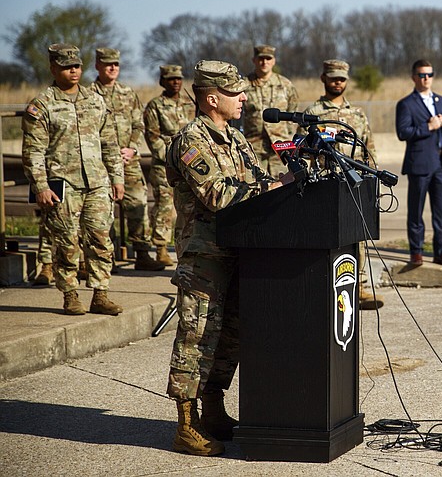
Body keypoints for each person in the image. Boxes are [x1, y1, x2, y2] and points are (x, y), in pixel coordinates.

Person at [165, 60, 293, 457]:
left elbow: (256, 180)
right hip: (205, 255)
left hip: (240, 251)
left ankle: (214, 409)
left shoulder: (235, 139)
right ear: (210, 98)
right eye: (236, 93)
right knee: (196, 336)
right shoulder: (191, 140)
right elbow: (218, 194)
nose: (244, 98)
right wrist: (274, 186)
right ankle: (186, 425)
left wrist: (285, 182)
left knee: (230, 336)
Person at [21, 44, 124, 315]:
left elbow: (110, 142)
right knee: (67, 243)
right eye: (67, 67)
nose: (74, 71)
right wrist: (40, 186)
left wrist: (117, 178)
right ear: (54, 69)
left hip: (97, 183)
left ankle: (101, 294)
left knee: (101, 239)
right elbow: (33, 150)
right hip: (62, 185)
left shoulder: (95, 99)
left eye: (77, 66)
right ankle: (70, 295)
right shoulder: (42, 105)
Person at [304, 59, 382, 309]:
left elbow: (368, 149)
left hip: (353, 184)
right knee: (322, 235)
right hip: (324, 184)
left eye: (341, 78)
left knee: (355, 234)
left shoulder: (357, 114)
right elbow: (302, 151)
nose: (337, 82)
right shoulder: (313, 113)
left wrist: (373, 179)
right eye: (332, 77)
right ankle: (323, 287)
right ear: (323, 78)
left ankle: (358, 287)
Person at [90, 48, 163, 271]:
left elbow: (138, 125)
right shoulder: (89, 94)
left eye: (116, 65)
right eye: (107, 64)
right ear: (97, 66)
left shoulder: (127, 93)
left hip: (128, 160)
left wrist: (131, 148)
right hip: (101, 161)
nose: (113, 68)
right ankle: (106, 257)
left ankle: (142, 253)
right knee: (103, 209)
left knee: (138, 204)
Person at [396, 59, 442, 267]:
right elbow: (403, 132)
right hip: (420, 164)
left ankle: (441, 251)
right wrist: (427, 127)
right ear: (414, 77)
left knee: (441, 211)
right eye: (422, 75)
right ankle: (416, 251)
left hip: (441, 163)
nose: (426, 79)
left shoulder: (441, 101)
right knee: (416, 210)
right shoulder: (406, 104)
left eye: (430, 75)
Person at [144, 65, 196, 267]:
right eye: (170, 79)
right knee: (164, 206)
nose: (175, 82)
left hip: (189, 163)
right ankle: (161, 248)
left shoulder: (190, 103)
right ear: (162, 81)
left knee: (189, 206)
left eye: (178, 78)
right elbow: (153, 137)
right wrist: (171, 156)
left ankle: (188, 244)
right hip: (164, 164)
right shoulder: (155, 106)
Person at [242, 44, 299, 175]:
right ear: (254, 60)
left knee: (283, 185)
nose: (264, 62)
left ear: (273, 61)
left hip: (281, 147)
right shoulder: (244, 84)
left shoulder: (285, 85)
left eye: (268, 59)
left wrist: (289, 135)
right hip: (253, 147)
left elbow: (292, 111)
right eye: (261, 59)